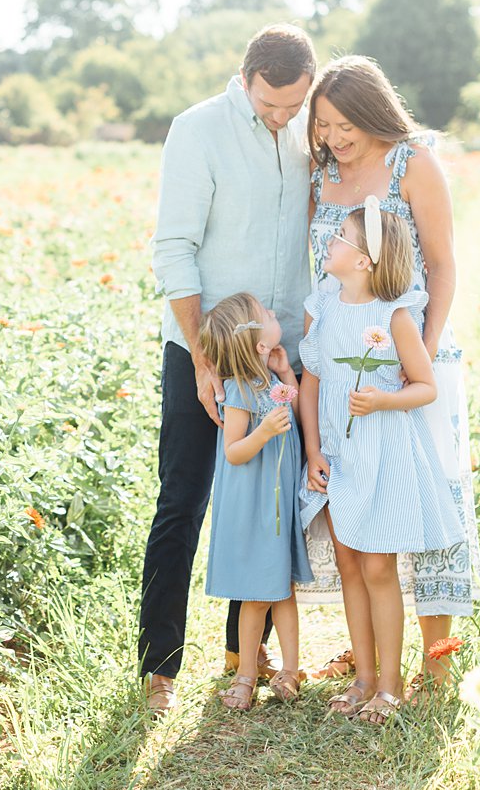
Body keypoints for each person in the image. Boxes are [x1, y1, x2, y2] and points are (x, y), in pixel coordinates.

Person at [296, 54, 480, 697]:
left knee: (429, 503)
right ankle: (372, 663)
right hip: (346, 364)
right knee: (360, 511)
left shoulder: (414, 163)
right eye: (322, 125)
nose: (334, 137)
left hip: (416, 355)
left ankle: (437, 663)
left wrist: (416, 357)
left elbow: (442, 266)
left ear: (376, 114)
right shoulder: (321, 176)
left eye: (345, 124)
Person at [142, 24, 317, 713]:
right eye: (270, 105)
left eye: (291, 107)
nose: (281, 118)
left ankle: (242, 651)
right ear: (246, 78)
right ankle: (160, 665)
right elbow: (175, 250)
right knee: (184, 498)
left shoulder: (306, 130)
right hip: (202, 347)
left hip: (282, 349)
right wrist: (205, 359)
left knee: (273, 502)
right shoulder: (198, 131)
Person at [299, 206, 464, 723]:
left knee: (376, 565)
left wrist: (382, 401)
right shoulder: (322, 307)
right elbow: (312, 382)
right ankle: (364, 677)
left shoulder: (393, 315)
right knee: (349, 563)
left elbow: (424, 386)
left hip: (385, 452)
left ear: (365, 260)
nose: (329, 241)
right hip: (338, 452)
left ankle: (390, 685)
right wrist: (312, 450)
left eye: (341, 237)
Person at [196, 292, 313, 710]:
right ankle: (246, 673)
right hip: (256, 503)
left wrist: (287, 374)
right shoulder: (241, 390)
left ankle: (290, 669)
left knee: (283, 590)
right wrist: (262, 433)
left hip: (278, 505)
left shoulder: (271, 379)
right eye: (265, 314)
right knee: (255, 593)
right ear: (259, 344)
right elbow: (233, 451)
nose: (273, 312)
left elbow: (298, 415)